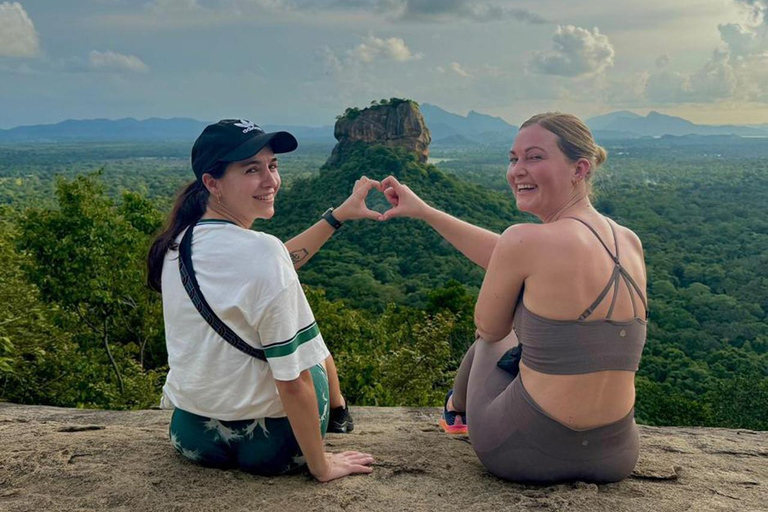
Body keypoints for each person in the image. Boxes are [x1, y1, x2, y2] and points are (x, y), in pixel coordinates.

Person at [379, 112, 647, 484]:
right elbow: (514, 259)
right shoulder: (629, 241)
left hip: (527, 452)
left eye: (535, 157)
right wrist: (425, 212)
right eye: (513, 158)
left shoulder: (524, 241)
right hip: (615, 456)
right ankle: (455, 412)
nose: (517, 170)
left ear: (579, 169)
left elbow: (490, 328)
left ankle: (455, 412)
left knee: (498, 336)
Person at [147, 119, 378, 482]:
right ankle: (339, 413)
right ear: (212, 183)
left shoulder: (176, 243)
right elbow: (293, 379)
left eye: (273, 165)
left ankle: (337, 413)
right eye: (251, 169)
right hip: (272, 446)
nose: (270, 180)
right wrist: (323, 466)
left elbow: (277, 262)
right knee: (308, 344)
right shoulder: (262, 251)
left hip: (193, 436)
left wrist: (337, 216)